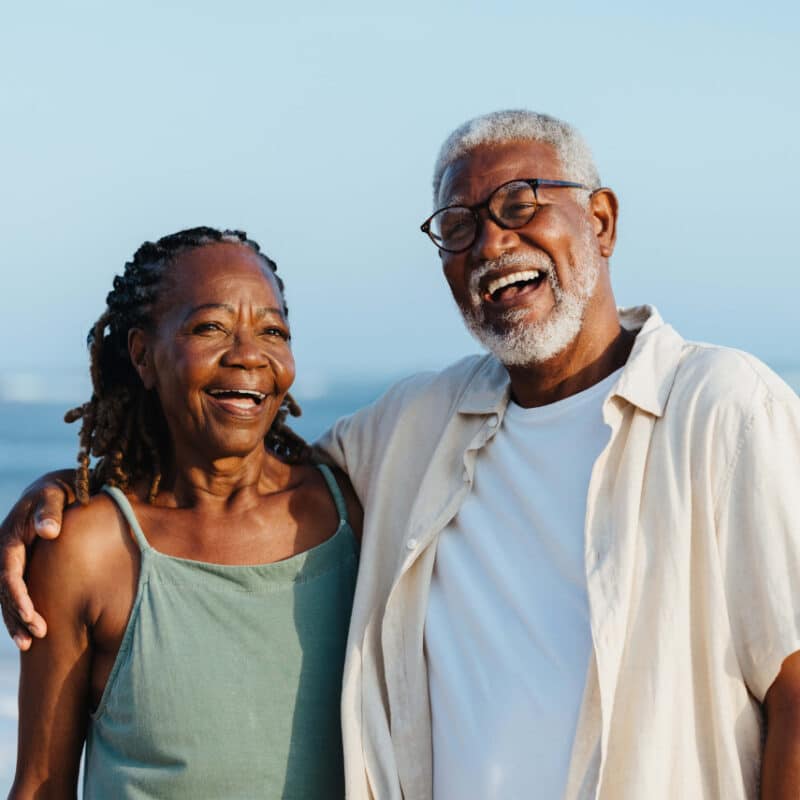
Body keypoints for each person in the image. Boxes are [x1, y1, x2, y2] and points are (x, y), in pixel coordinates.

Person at [4, 111, 800, 799]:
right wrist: (73, 490)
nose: (492, 241)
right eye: (459, 226)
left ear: (601, 220)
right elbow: (229, 472)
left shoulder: (724, 409)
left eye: (521, 204)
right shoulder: (419, 427)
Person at [7, 226, 361, 799]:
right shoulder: (91, 549)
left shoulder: (351, 515)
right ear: (143, 356)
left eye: (273, 331)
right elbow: (41, 786)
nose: (249, 354)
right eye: (211, 327)